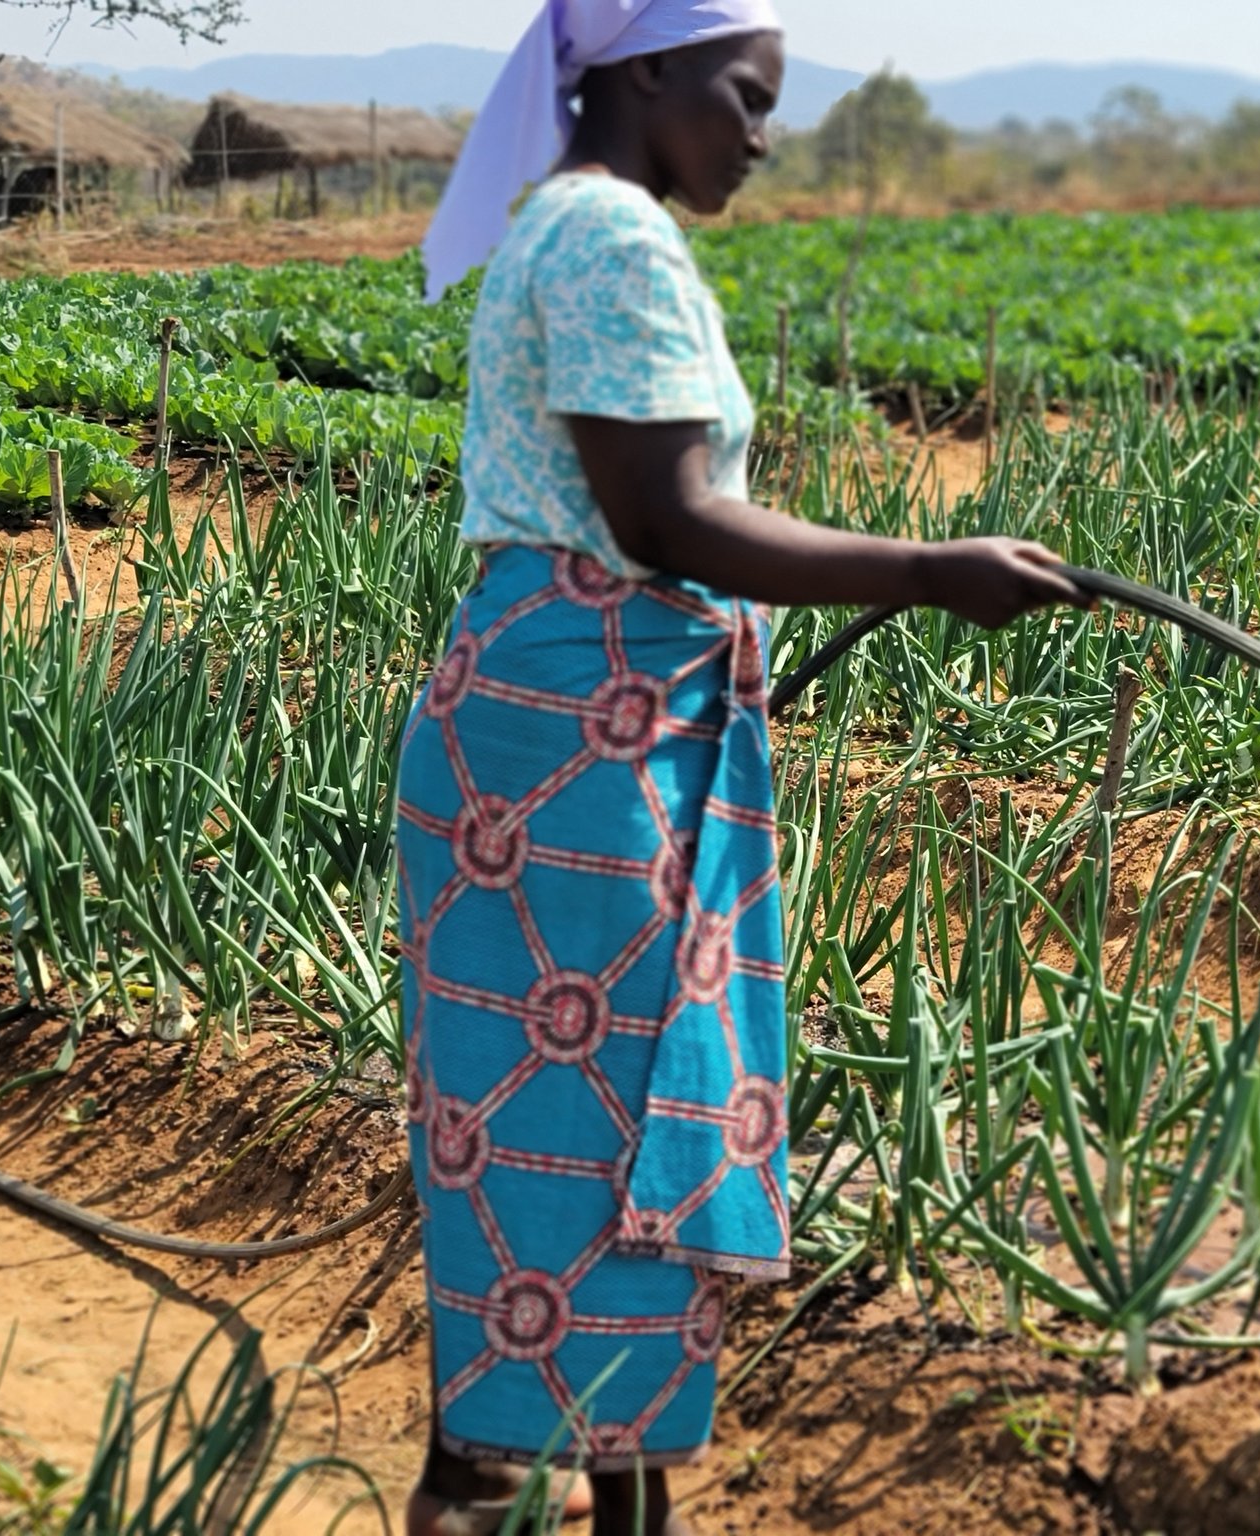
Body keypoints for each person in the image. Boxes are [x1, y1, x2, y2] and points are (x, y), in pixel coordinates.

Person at [401, 3, 1082, 1533]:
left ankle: (545, 1486)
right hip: (585, 747)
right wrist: (926, 567)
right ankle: (499, 1485)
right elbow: (668, 523)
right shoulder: (611, 240)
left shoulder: (568, 222)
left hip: (563, 725)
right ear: (645, 71)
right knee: (598, 1135)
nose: (764, 136)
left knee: (561, 1152)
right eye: (748, 96)